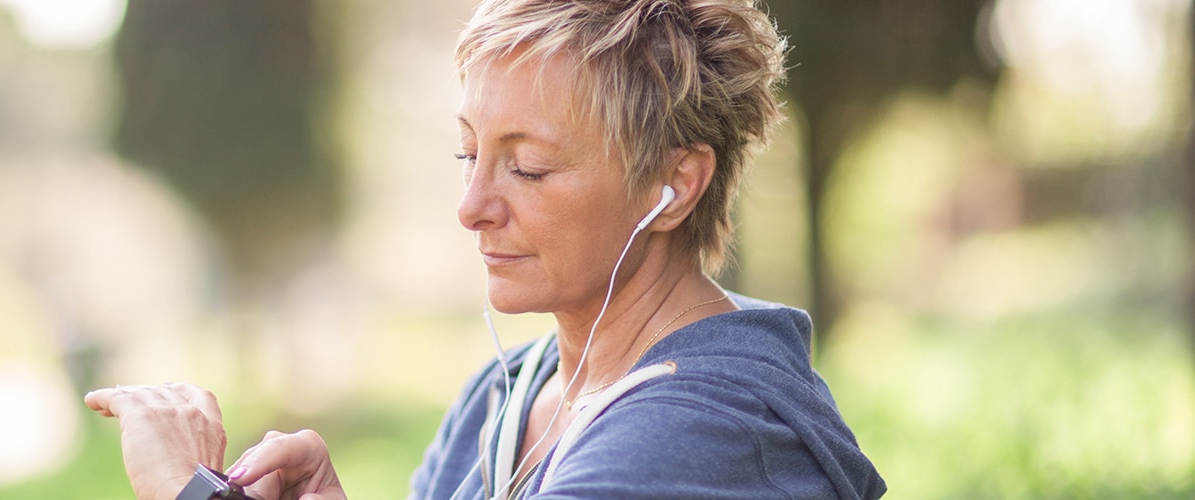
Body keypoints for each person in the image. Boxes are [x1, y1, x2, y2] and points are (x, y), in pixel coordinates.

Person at [84, 0, 887, 498]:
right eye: (471, 155)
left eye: (528, 166)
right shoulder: (508, 393)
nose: (471, 208)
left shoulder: (705, 430)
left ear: (674, 186)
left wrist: (183, 493)